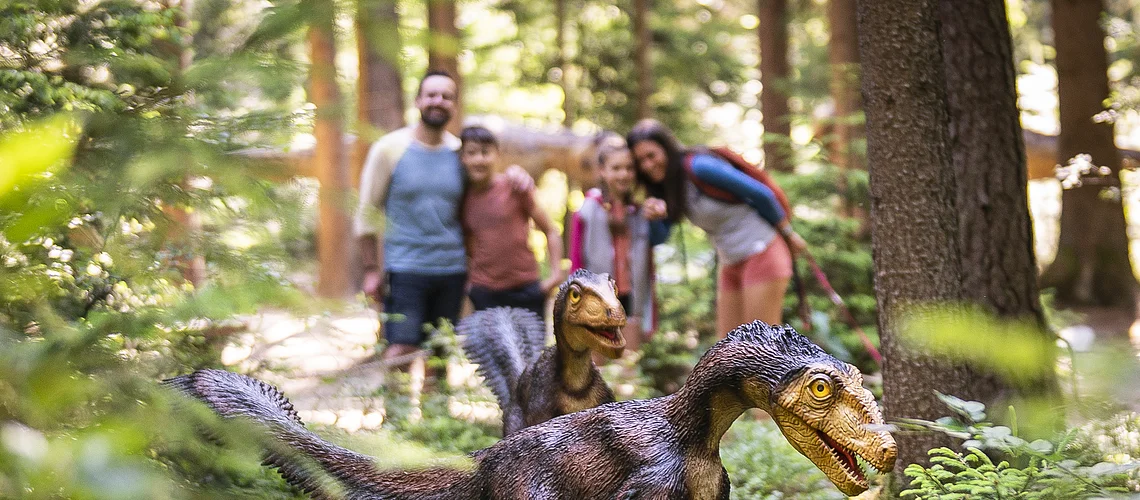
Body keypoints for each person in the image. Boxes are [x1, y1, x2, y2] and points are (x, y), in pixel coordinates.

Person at [353, 71, 532, 365]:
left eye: (446, 97)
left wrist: (516, 174)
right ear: (418, 101)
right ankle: (396, 413)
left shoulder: (458, 153)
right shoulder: (389, 149)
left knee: (440, 353)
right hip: (405, 268)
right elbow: (367, 212)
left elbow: (486, 188)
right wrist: (371, 269)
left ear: (455, 105)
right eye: (432, 95)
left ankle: (436, 409)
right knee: (400, 351)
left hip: (452, 270)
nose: (439, 101)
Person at [625, 119, 807, 337]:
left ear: (667, 149)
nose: (647, 165)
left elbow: (761, 194)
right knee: (729, 351)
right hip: (730, 261)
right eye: (640, 161)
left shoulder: (699, 167)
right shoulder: (666, 188)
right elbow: (659, 238)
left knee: (763, 346)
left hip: (762, 250)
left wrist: (788, 234)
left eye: (651, 156)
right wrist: (655, 217)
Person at [569, 134, 667, 351]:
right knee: (598, 367)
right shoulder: (587, 210)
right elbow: (576, 261)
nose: (623, 174)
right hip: (596, 300)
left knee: (628, 365)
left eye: (629, 168)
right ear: (603, 171)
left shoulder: (641, 212)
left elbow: (650, 263)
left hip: (631, 299)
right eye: (616, 168)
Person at [460, 125, 566, 316]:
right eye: (471, 153)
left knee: (531, 346)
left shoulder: (515, 186)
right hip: (484, 293)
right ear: (463, 158)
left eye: (485, 153)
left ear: (497, 155)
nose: (479, 160)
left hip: (525, 289)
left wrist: (555, 274)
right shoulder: (461, 197)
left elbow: (550, 230)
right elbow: (467, 244)